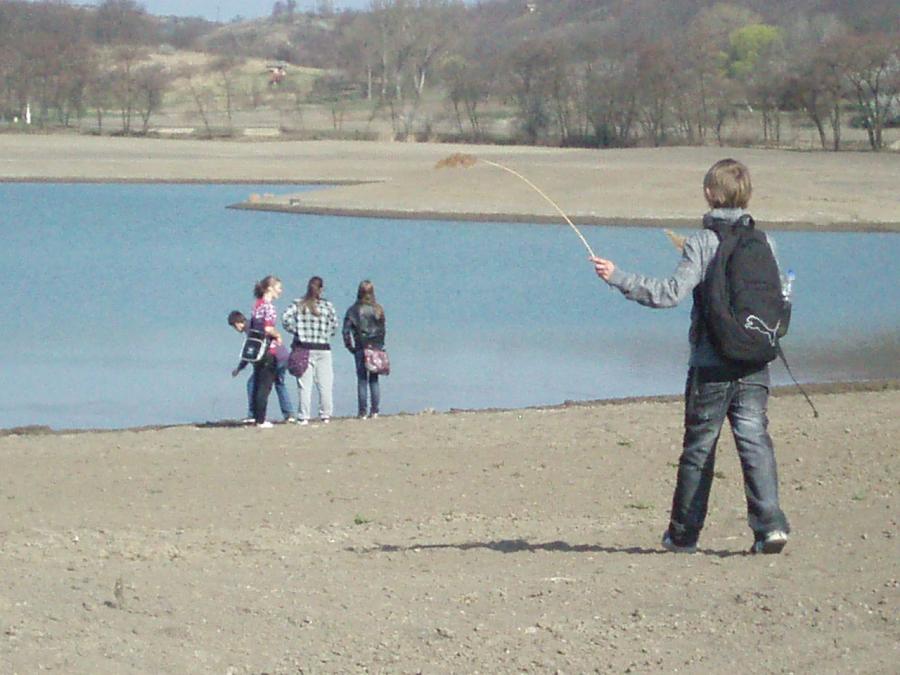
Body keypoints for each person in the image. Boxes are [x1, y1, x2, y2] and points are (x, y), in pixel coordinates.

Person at [590, 158, 790, 555]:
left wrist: (618, 277)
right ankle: (770, 528)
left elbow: (668, 294)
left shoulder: (702, 242)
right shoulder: (765, 242)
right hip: (755, 361)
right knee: (754, 442)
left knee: (699, 449)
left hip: (711, 364)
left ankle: (683, 536)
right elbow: (778, 301)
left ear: (709, 194)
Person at [282, 276, 338, 425]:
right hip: (323, 348)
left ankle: (304, 416)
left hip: (304, 347)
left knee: (304, 385)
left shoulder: (298, 304)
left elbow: (285, 319)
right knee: (325, 384)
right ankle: (326, 415)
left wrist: (297, 331)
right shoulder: (327, 306)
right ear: (321, 289)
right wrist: (325, 334)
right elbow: (334, 326)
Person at [227, 310, 294, 424]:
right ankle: (289, 414)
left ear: (238, 323)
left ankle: (253, 414)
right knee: (279, 384)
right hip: (282, 355)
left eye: (234, 326)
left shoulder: (250, 330)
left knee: (253, 384)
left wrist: (239, 368)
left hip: (272, 359)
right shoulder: (255, 325)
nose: (236, 329)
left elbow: (251, 352)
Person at [342, 280, 387, 419]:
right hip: (376, 347)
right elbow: (383, 330)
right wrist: (380, 345)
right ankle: (375, 411)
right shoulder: (378, 309)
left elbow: (345, 331)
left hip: (361, 347)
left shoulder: (353, 310)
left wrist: (350, 347)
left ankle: (362, 412)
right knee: (374, 379)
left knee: (362, 379)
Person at [248, 276, 285, 429]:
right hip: (267, 349)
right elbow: (268, 328)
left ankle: (256, 417)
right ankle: (261, 420)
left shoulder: (257, 305)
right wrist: (278, 335)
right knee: (265, 385)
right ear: (270, 288)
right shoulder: (268, 307)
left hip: (256, 349)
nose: (280, 291)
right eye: (278, 288)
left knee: (258, 383)